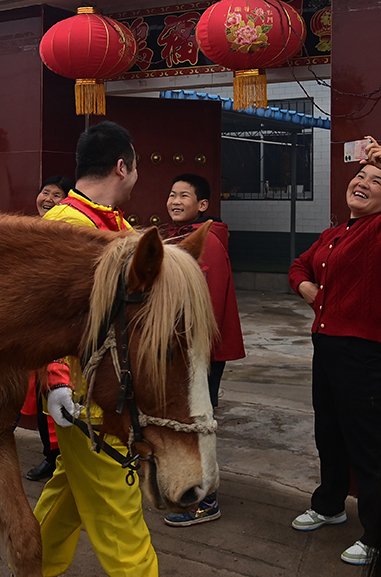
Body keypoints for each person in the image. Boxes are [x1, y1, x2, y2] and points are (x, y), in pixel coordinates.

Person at [287, 137, 381, 566]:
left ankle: (380, 532)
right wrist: (307, 288)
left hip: (362, 351)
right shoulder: (334, 234)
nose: (363, 183)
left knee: (367, 444)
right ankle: (329, 504)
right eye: (360, 176)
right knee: (328, 432)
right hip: (326, 345)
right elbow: (298, 266)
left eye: (375, 181)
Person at [32, 121, 159, 577]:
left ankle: (30, 567)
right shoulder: (67, 225)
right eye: (138, 166)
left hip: (109, 387)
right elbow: (45, 313)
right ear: (122, 166)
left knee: (69, 496)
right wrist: (57, 380)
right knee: (120, 509)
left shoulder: (113, 223)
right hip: (88, 396)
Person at [161, 173, 244, 527]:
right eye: (172, 193)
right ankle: (186, 488)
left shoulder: (206, 241)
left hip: (198, 354)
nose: (175, 200)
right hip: (180, 353)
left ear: (203, 205)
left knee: (198, 424)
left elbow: (205, 307)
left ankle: (206, 498)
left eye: (184, 195)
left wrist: (189, 353)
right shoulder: (174, 237)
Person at [22, 175, 74, 482]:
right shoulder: (29, 230)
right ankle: (50, 457)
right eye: (45, 192)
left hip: (60, 334)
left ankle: (64, 458)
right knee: (43, 398)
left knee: (60, 393)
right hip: (34, 331)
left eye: (57, 194)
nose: (49, 198)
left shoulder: (67, 231)